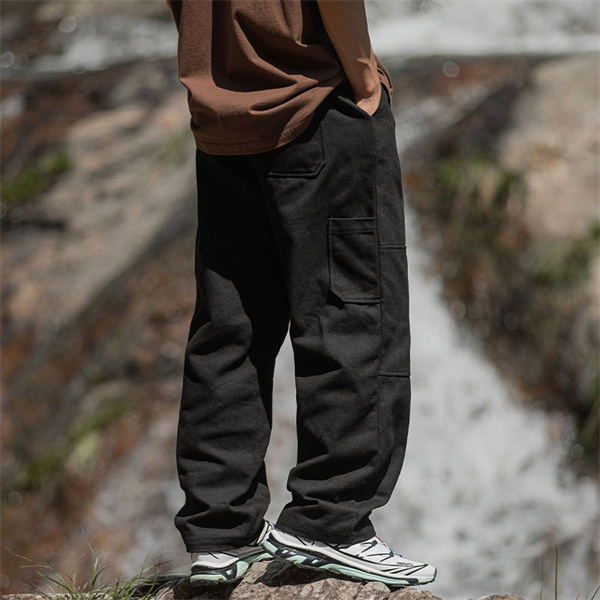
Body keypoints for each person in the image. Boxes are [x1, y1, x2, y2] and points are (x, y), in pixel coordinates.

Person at [164, 0, 437, 589]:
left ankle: (221, 530)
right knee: (354, 313)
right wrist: (363, 73)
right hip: (315, 103)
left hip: (222, 113)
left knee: (229, 327)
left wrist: (220, 66)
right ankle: (332, 519)